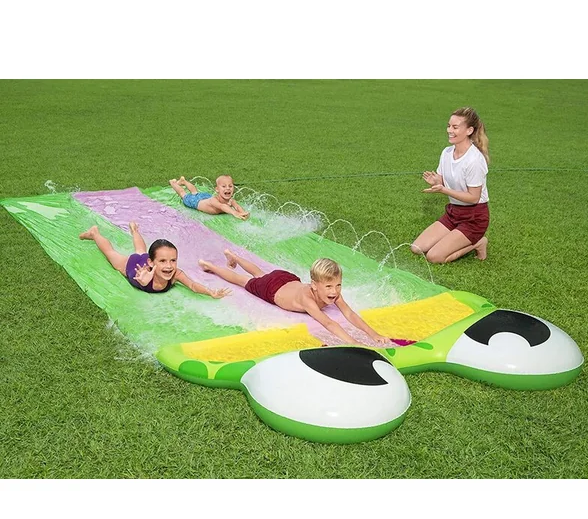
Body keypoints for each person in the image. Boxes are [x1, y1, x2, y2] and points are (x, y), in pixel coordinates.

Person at [199, 251, 388, 346]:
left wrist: (374, 334)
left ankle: (234, 256)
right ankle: (211, 266)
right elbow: (328, 323)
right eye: (329, 286)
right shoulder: (308, 299)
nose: (334, 291)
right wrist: (353, 342)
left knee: (260, 273)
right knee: (244, 280)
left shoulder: (332, 292)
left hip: (286, 278)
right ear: (314, 285)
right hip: (271, 288)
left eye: (338, 285)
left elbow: (349, 313)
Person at [411, 107, 490, 263]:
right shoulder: (446, 153)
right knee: (416, 248)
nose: (449, 130)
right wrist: (436, 182)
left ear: (469, 130)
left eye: (455, 127)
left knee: (434, 257)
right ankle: (455, 236)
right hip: (454, 213)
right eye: (448, 126)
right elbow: (443, 181)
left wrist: (444, 190)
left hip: (474, 217)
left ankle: (478, 242)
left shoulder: (474, 160)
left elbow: (473, 198)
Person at [79, 222, 232, 297]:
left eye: (173, 260)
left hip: (148, 260)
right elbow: (143, 277)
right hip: (133, 264)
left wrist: (210, 292)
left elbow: (192, 285)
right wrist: (143, 280)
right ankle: (94, 233)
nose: (169, 266)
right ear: (152, 263)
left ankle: (135, 230)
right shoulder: (144, 272)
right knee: (111, 253)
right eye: (163, 261)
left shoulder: (175, 274)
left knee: (141, 250)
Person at [169, 175, 250, 220]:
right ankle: (173, 183)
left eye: (230, 186)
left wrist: (243, 213)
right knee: (183, 194)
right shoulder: (214, 200)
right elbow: (222, 206)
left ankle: (184, 181)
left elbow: (237, 206)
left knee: (195, 192)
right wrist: (235, 213)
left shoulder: (231, 200)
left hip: (205, 197)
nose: (228, 188)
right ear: (217, 189)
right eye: (224, 186)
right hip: (195, 202)